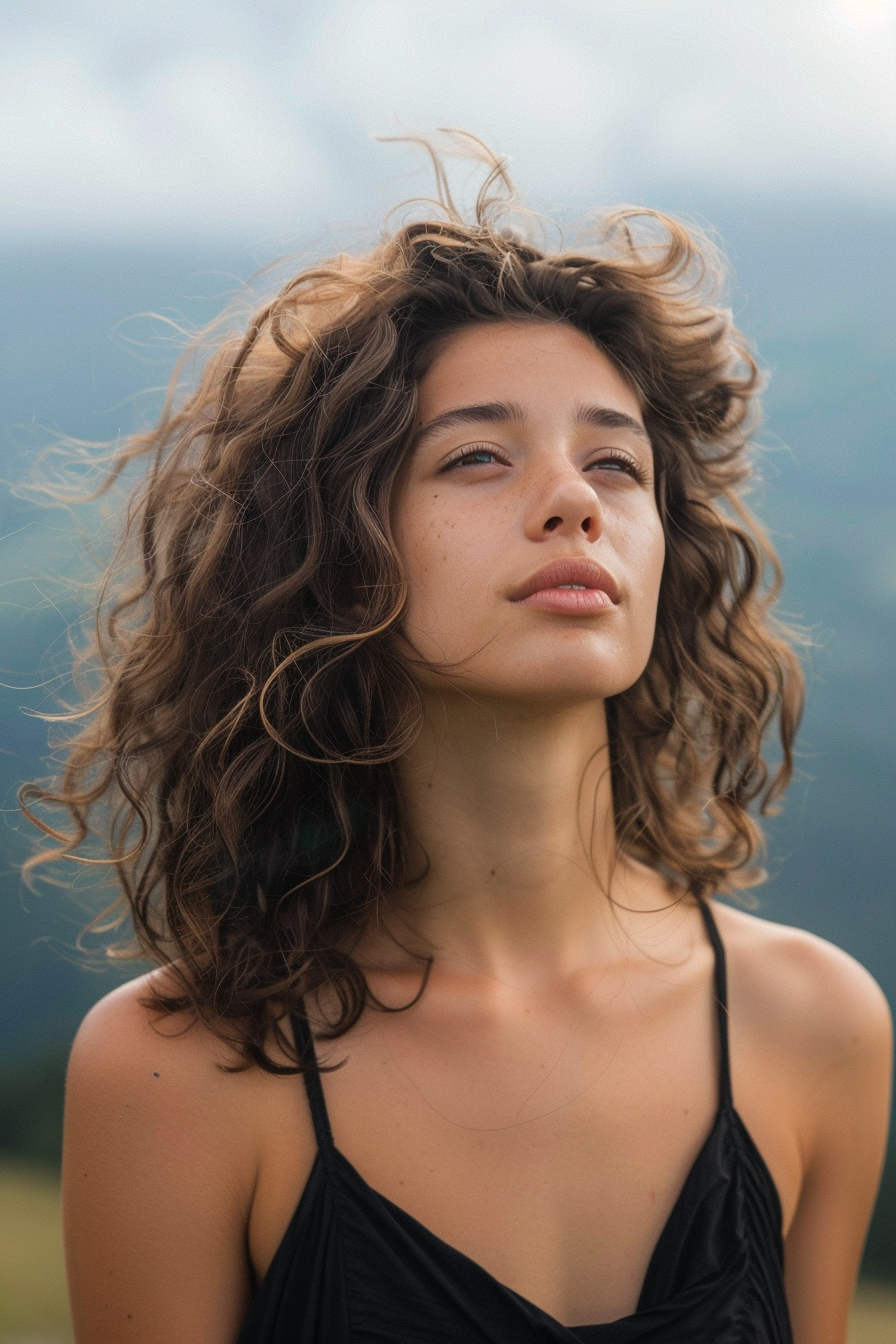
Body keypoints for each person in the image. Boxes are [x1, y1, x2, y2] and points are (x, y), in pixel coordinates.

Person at [23, 143, 891, 1344]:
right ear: (329, 556)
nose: (572, 498)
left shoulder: (813, 1022)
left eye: (614, 462)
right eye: (476, 456)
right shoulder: (177, 1072)